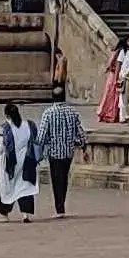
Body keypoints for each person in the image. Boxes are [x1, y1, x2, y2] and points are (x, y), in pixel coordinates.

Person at [38, 84, 88, 217]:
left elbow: (42, 135)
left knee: (56, 178)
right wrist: (84, 147)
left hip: (54, 152)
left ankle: (59, 207)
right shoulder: (73, 112)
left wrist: (37, 151)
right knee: (64, 177)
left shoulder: (48, 113)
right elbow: (80, 132)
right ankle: (62, 204)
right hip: (68, 152)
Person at [0, 102, 39, 222]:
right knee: (25, 188)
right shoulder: (28, 125)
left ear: (6, 115)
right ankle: (25, 214)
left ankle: (4, 214)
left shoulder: (5, 128)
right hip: (26, 161)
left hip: (10, 163)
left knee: (6, 187)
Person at [96, 39, 123, 124]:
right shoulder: (119, 52)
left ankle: (105, 113)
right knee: (112, 95)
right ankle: (109, 114)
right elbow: (111, 64)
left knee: (109, 95)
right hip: (115, 75)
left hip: (112, 75)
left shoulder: (114, 52)